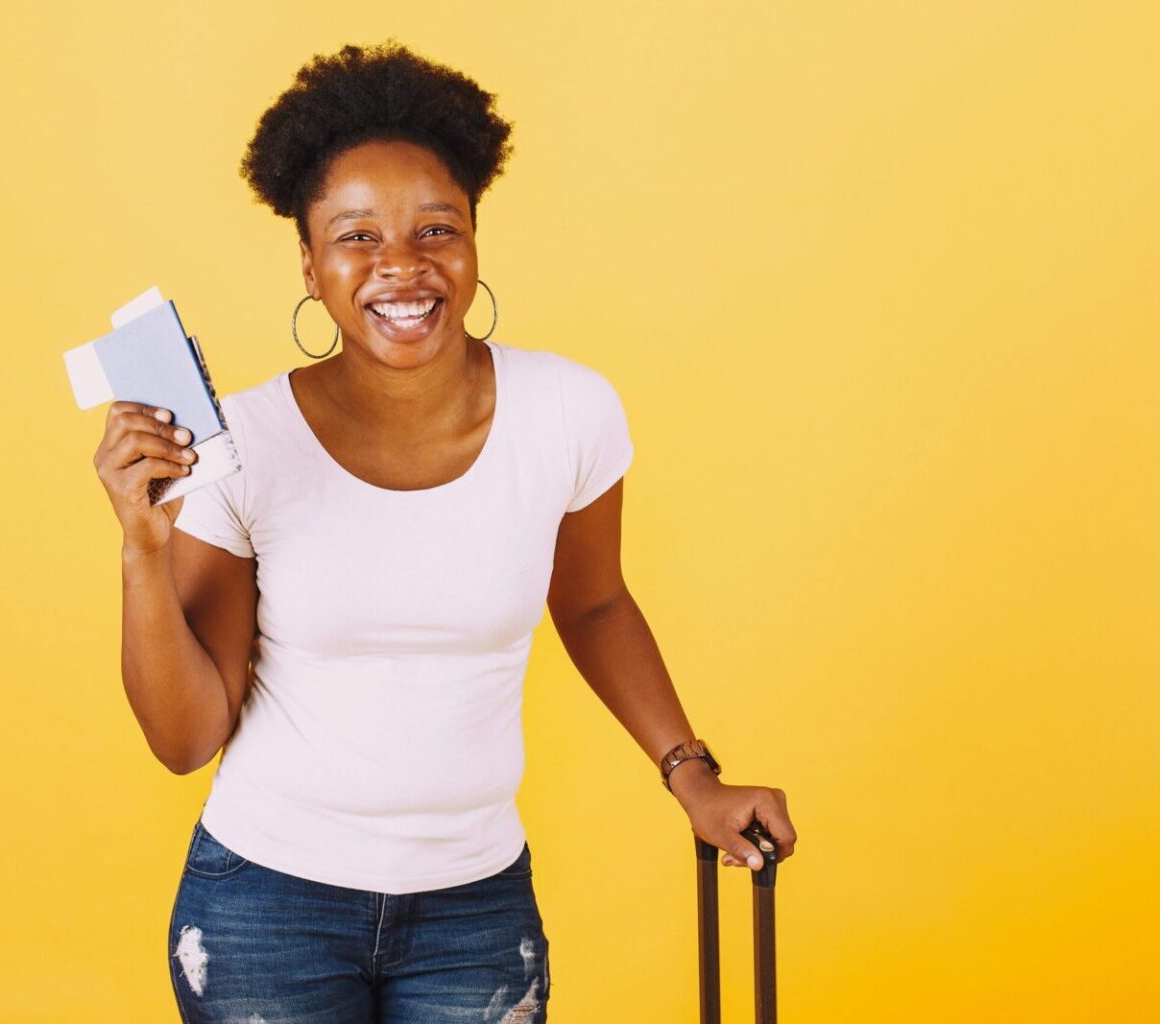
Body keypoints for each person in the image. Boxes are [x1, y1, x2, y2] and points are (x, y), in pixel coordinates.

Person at [93, 39, 797, 1023]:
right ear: (309, 260)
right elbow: (185, 737)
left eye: (437, 229)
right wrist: (143, 547)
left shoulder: (569, 411)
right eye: (357, 237)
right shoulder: (243, 442)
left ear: (473, 239)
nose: (403, 268)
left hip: (473, 905)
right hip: (267, 905)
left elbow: (594, 601)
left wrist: (693, 775)